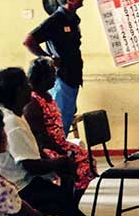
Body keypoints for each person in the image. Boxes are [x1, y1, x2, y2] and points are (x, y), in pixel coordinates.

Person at [0, 67, 81, 216]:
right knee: (62, 198)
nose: (30, 88)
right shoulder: (11, 122)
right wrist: (59, 162)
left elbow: (34, 148)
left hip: (18, 180)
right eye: (27, 85)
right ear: (19, 91)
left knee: (66, 177)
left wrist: (55, 161)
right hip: (18, 187)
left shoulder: (11, 114)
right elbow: (30, 165)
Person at [23, 57, 96, 205]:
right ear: (42, 77)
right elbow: (40, 137)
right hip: (45, 148)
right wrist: (62, 151)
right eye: (52, 74)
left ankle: (72, 203)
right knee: (76, 164)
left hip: (59, 144)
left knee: (88, 161)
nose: (55, 77)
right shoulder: (33, 102)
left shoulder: (47, 96)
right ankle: (68, 204)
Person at [24, 0, 85, 135]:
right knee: (58, 125)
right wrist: (48, 58)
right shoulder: (56, 20)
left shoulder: (73, 19)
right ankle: (58, 150)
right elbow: (29, 41)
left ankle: (62, 148)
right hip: (62, 78)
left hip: (73, 77)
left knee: (66, 119)